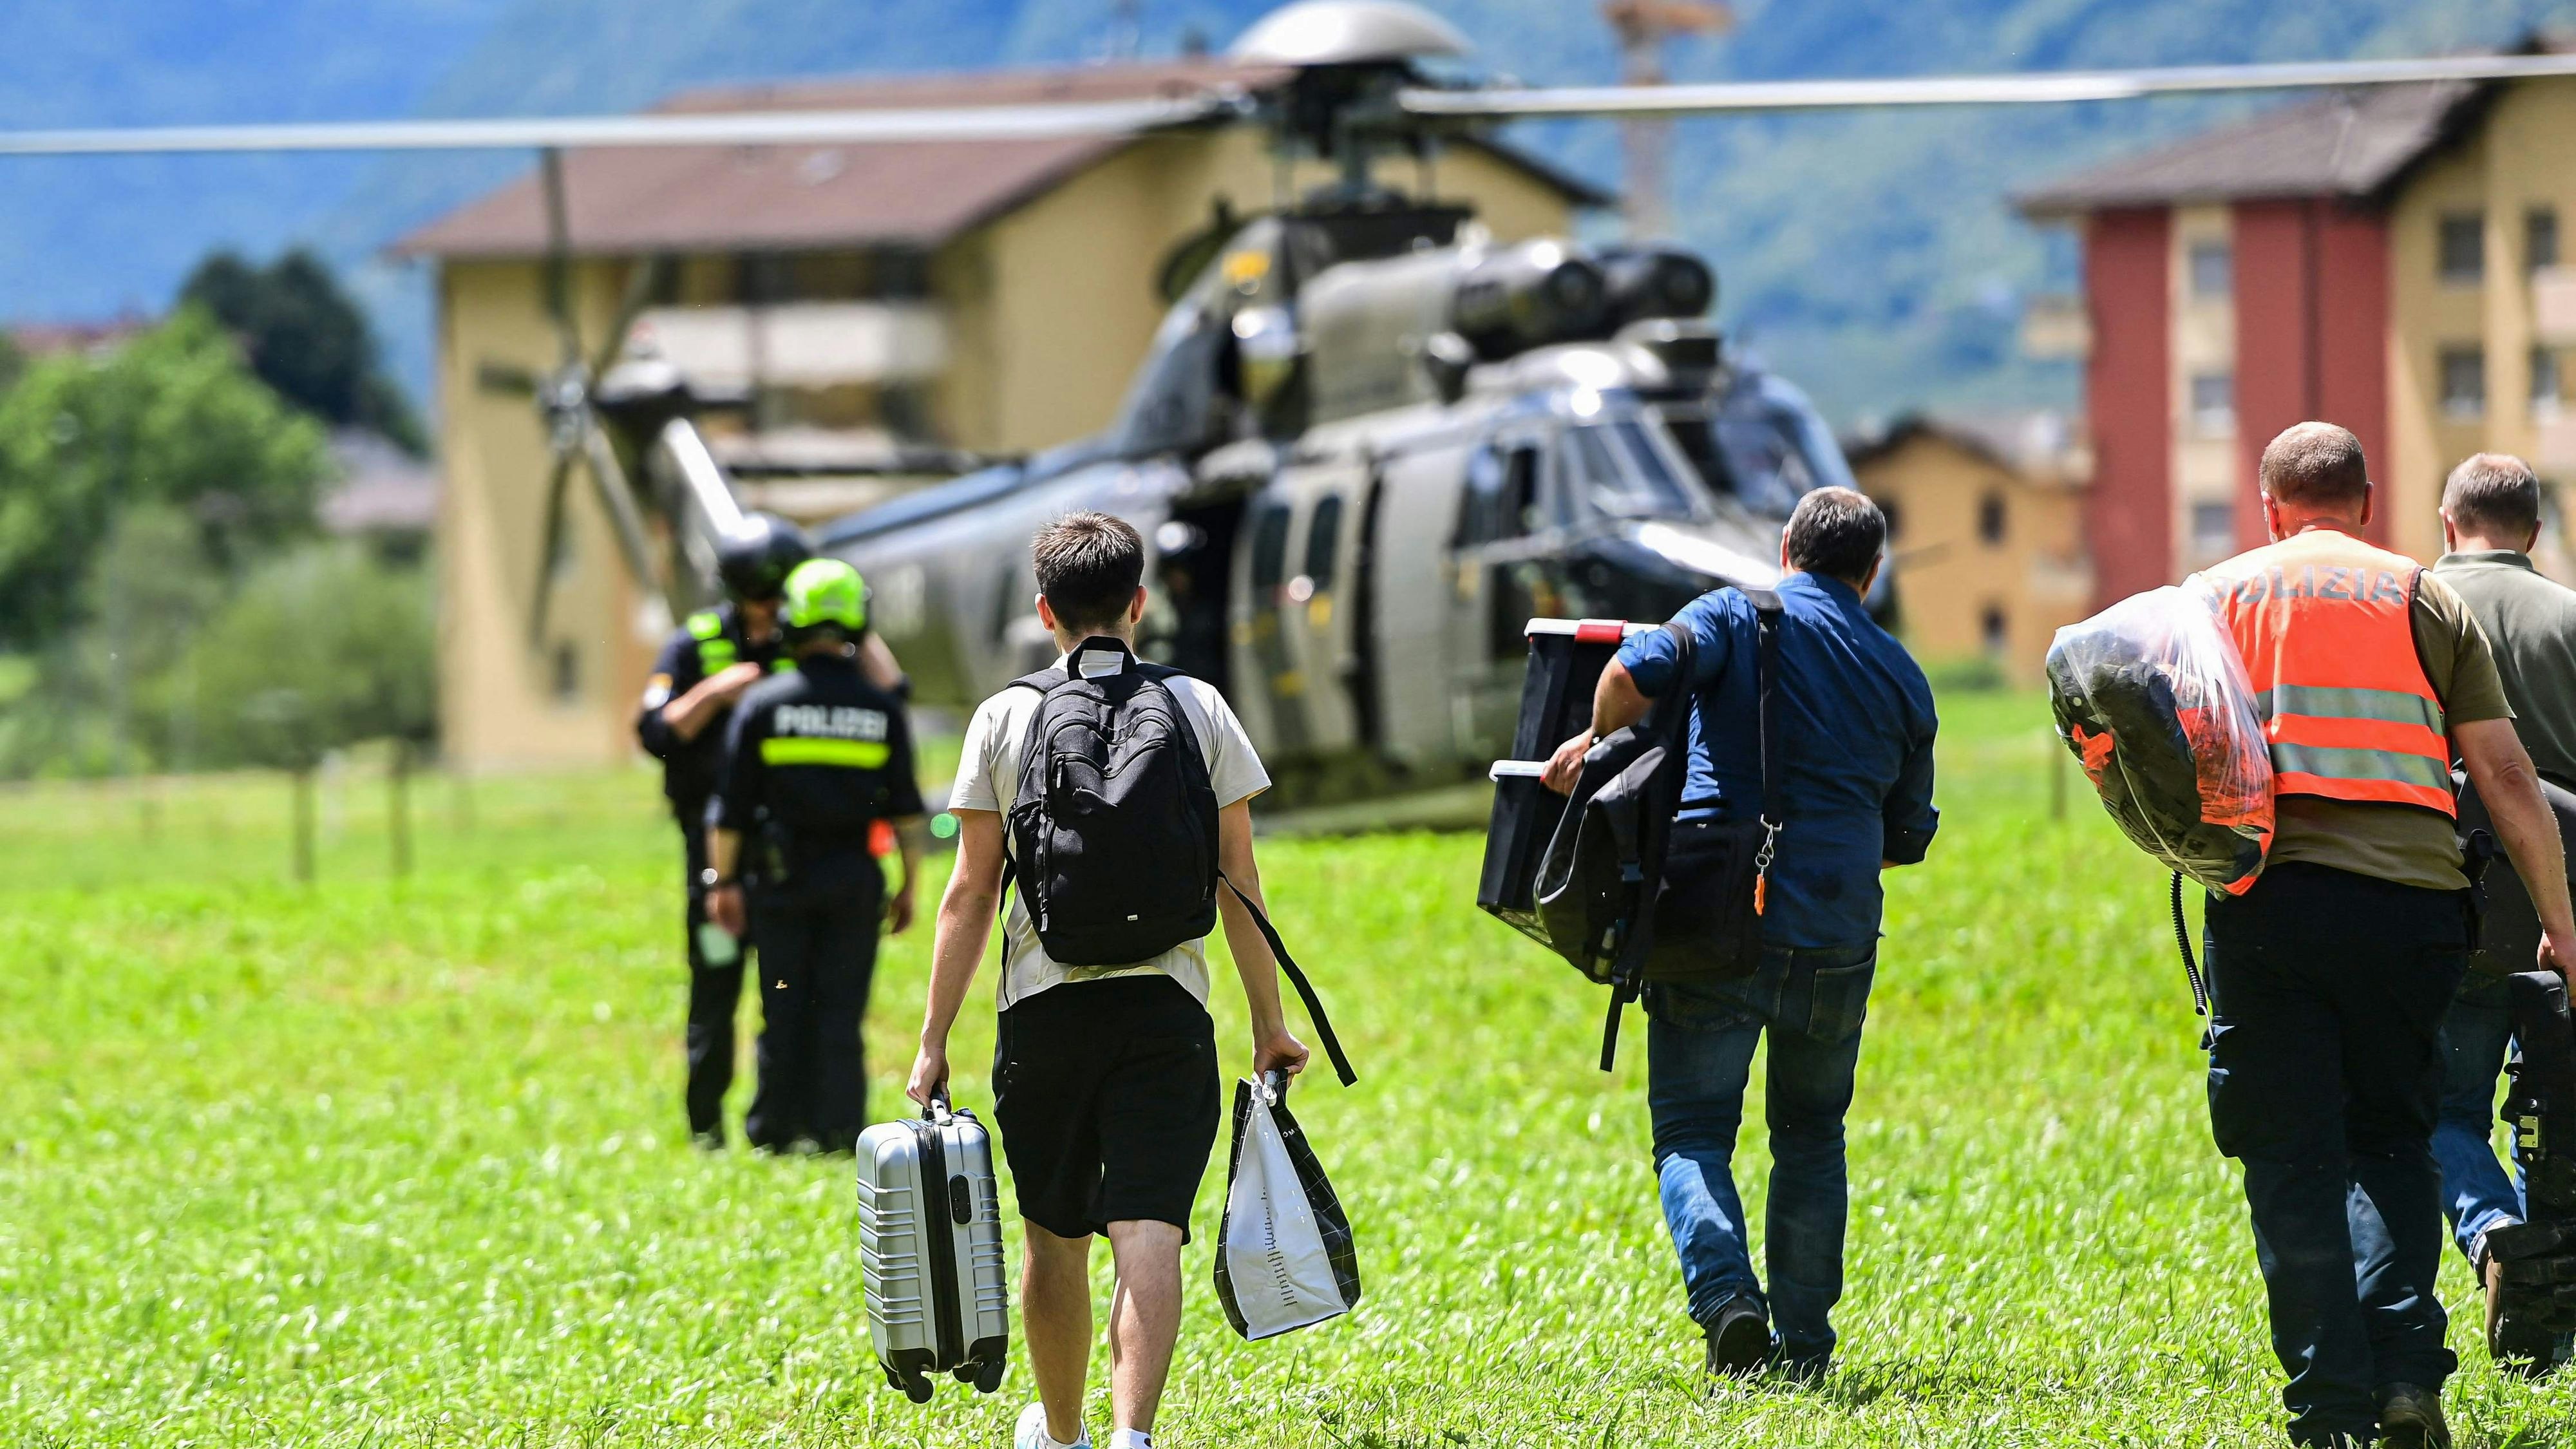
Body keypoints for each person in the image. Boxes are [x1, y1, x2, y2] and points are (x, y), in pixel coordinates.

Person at [2191, 424, 2574, 1448]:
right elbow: (2504, 778)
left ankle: (2327, 1402)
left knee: (2290, 1158)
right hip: (2411, 910)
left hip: (2270, 908)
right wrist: (2560, 920)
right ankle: (2409, 1378)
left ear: (2271, 506)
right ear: (2367, 501)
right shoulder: (2422, 595)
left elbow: (2156, 756)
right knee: (2396, 1141)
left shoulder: (2216, 596)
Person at [904, 512, 1309, 1449]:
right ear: (1140, 603)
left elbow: (969, 893)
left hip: (1044, 1012)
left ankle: (1062, 1433)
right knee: (1149, 1229)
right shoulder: (1200, 707)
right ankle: (1134, 1436)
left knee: (1055, 1238)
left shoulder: (1004, 715)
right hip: (1167, 1006)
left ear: (1044, 611)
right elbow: (1237, 879)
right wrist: (1267, 1021)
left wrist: (933, 1038)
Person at [1540, 486, 1940, 1381]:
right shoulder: (1901, 672)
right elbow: (1907, 834)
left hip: (1713, 921)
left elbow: (1630, 673)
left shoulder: (1734, 613)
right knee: (1811, 1133)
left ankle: (1727, 1302)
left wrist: (1588, 739)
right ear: (1871, 575)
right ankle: (1803, 1346)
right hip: (1837, 935)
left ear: (1787, 547)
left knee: (1691, 1129)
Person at [636, 513, 905, 1148]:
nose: (766, 615)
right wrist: (716, 694)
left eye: (778, 600)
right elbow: (652, 731)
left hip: (795, 855)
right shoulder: (695, 644)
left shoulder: (814, 646)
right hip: (716, 848)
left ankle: (798, 1126)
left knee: (797, 999)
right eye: (757, 601)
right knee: (716, 987)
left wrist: (855, 628)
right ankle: (707, 1129)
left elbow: (895, 692)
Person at [2425, 453, 2576, 1370]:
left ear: (2448, 525)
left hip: (2450, 894)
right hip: (2566, 907)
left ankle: (2493, 1235)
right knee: (2555, 1109)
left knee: (2439, 1102)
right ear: (2535, 530)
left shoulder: (2409, 609)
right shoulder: (2571, 615)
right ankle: (2544, 1314)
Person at [705, 558, 925, 1155]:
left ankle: (775, 1132)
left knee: (782, 1007)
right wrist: (909, 886)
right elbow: (907, 812)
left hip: (779, 881)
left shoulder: (763, 704)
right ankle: (837, 1133)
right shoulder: (881, 710)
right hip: (854, 879)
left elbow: (729, 809)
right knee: (842, 1014)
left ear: (791, 622)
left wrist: (721, 881)